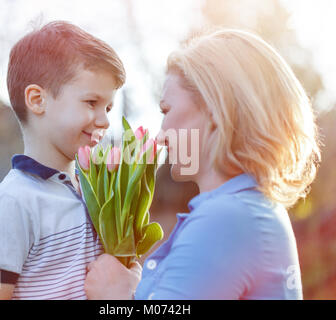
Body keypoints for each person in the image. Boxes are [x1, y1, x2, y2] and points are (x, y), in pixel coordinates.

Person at [84, 28, 322, 300]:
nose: (160, 136)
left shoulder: (226, 219)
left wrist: (113, 296)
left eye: (166, 110)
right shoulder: (247, 210)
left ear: (214, 109)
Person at [0, 21, 126, 299]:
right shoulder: (12, 202)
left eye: (109, 107)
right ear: (37, 100)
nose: (104, 120)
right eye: (92, 102)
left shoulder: (95, 189)